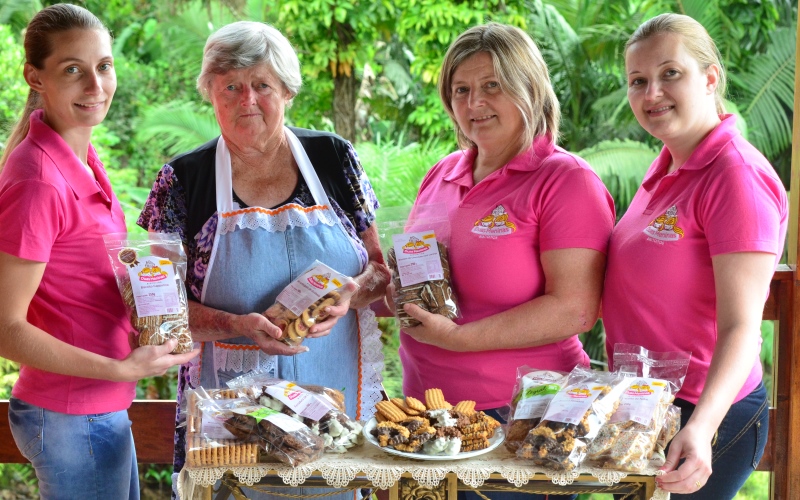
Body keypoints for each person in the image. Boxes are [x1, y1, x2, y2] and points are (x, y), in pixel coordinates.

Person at [136, 20, 389, 495]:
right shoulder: (182, 181)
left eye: (262, 85)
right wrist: (237, 325)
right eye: (230, 85)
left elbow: (379, 271)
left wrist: (349, 299)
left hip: (337, 391)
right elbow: (158, 313)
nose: (246, 100)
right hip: (229, 406)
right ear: (210, 92)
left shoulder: (334, 158)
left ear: (288, 91)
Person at [392, 22, 615, 500]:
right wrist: (372, 292)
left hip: (518, 421)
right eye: (462, 90)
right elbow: (423, 282)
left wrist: (456, 339)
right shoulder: (443, 173)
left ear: (529, 88)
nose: (475, 104)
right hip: (425, 417)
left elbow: (575, 308)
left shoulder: (565, 180)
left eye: (493, 86)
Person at [0, 4, 197, 500]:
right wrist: (121, 368)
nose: (95, 85)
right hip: (70, 415)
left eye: (104, 66)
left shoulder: (83, 160)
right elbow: (5, 329)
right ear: (35, 77)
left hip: (95, 409)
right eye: (73, 70)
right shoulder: (38, 180)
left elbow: (78, 285)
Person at [602, 13, 788, 499]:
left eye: (670, 74)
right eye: (637, 81)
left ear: (710, 77)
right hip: (645, 405)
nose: (651, 94)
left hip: (707, 415)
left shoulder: (735, 176)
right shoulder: (667, 164)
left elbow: (744, 327)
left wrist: (703, 428)